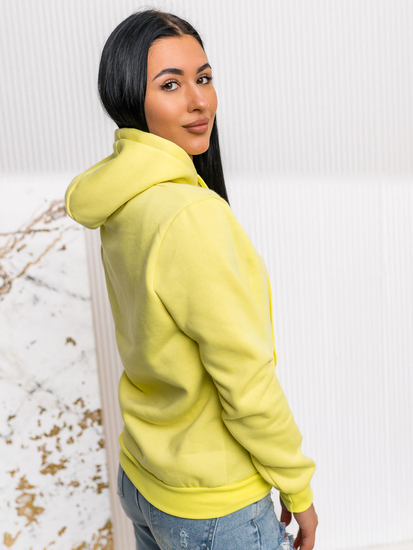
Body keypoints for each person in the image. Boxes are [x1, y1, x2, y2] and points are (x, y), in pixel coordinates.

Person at [65, 8, 318, 550]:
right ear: (131, 98)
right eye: (170, 84)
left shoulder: (123, 197)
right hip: (214, 505)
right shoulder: (190, 215)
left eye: (203, 77)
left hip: (144, 478)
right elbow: (244, 376)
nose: (199, 101)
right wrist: (297, 486)